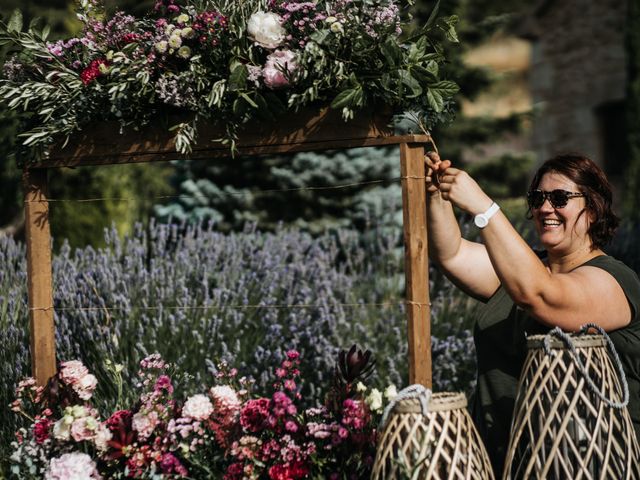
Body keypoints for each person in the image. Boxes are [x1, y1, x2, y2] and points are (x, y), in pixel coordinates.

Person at [425, 152, 640, 476]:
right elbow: (452, 254)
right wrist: (437, 193)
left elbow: (541, 295)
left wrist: (484, 207)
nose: (545, 208)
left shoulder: (614, 281)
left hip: (587, 466)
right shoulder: (521, 270)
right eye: (538, 197)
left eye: (559, 198)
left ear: (593, 210)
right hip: (505, 464)